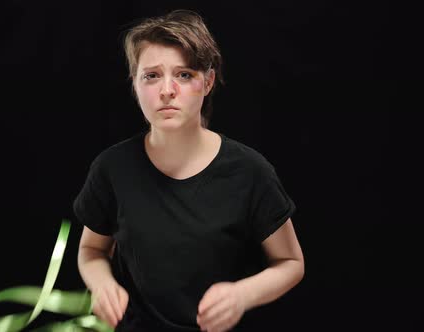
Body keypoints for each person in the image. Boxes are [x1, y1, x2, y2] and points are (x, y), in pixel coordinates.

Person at [73, 9, 304, 332]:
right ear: (135, 84)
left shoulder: (250, 171)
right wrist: (101, 283)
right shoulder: (112, 168)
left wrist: (243, 294)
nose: (167, 90)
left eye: (184, 75)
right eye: (151, 75)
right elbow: (91, 249)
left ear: (207, 82)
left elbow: (291, 263)